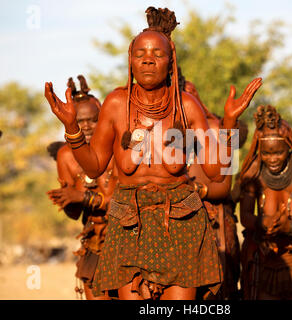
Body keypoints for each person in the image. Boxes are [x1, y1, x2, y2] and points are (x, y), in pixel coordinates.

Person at [45, 7, 262, 300]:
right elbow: (94, 166)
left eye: (157, 54)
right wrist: (70, 126)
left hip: (181, 221)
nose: (148, 59)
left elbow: (217, 171)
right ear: (131, 61)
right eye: (141, 53)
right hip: (127, 220)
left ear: (170, 62)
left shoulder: (186, 106)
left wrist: (230, 123)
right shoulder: (116, 104)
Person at [238, 105, 292, 300]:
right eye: (266, 154)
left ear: (289, 146)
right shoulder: (253, 171)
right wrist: (262, 223)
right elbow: (244, 215)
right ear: (258, 150)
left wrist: (291, 227)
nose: (272, 159)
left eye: (278, 153)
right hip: (265, 256)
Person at [47, 76, 117, 300]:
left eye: (92, 120)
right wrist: (67, 199)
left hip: (125, 237)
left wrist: (85, 197)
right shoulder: (66, 156)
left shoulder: (116, 148)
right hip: (93, 242)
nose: (86, 126)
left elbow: (124, 201)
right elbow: (74, 212)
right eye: (79, 121)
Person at [183, 78, 245, 300]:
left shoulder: (215, 127)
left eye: (191, 94)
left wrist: (197, 190)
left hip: (214, 218)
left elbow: (223, 186)